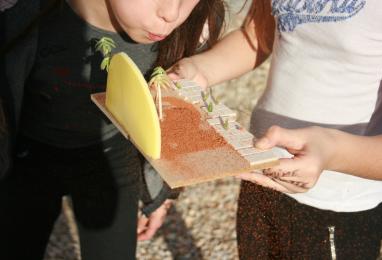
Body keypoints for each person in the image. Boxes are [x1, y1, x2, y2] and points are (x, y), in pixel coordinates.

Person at [0, 0, 225, 259]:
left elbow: (171, 120)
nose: (171, 14)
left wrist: (162, 192)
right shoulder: (21, 16)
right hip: (25, 161)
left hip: (114, 160)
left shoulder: (191, 26)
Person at [169, 0, 382, 259]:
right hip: (261, 170)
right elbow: (259, 35)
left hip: (340, 200)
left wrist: (330, 152)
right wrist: (201, 69)